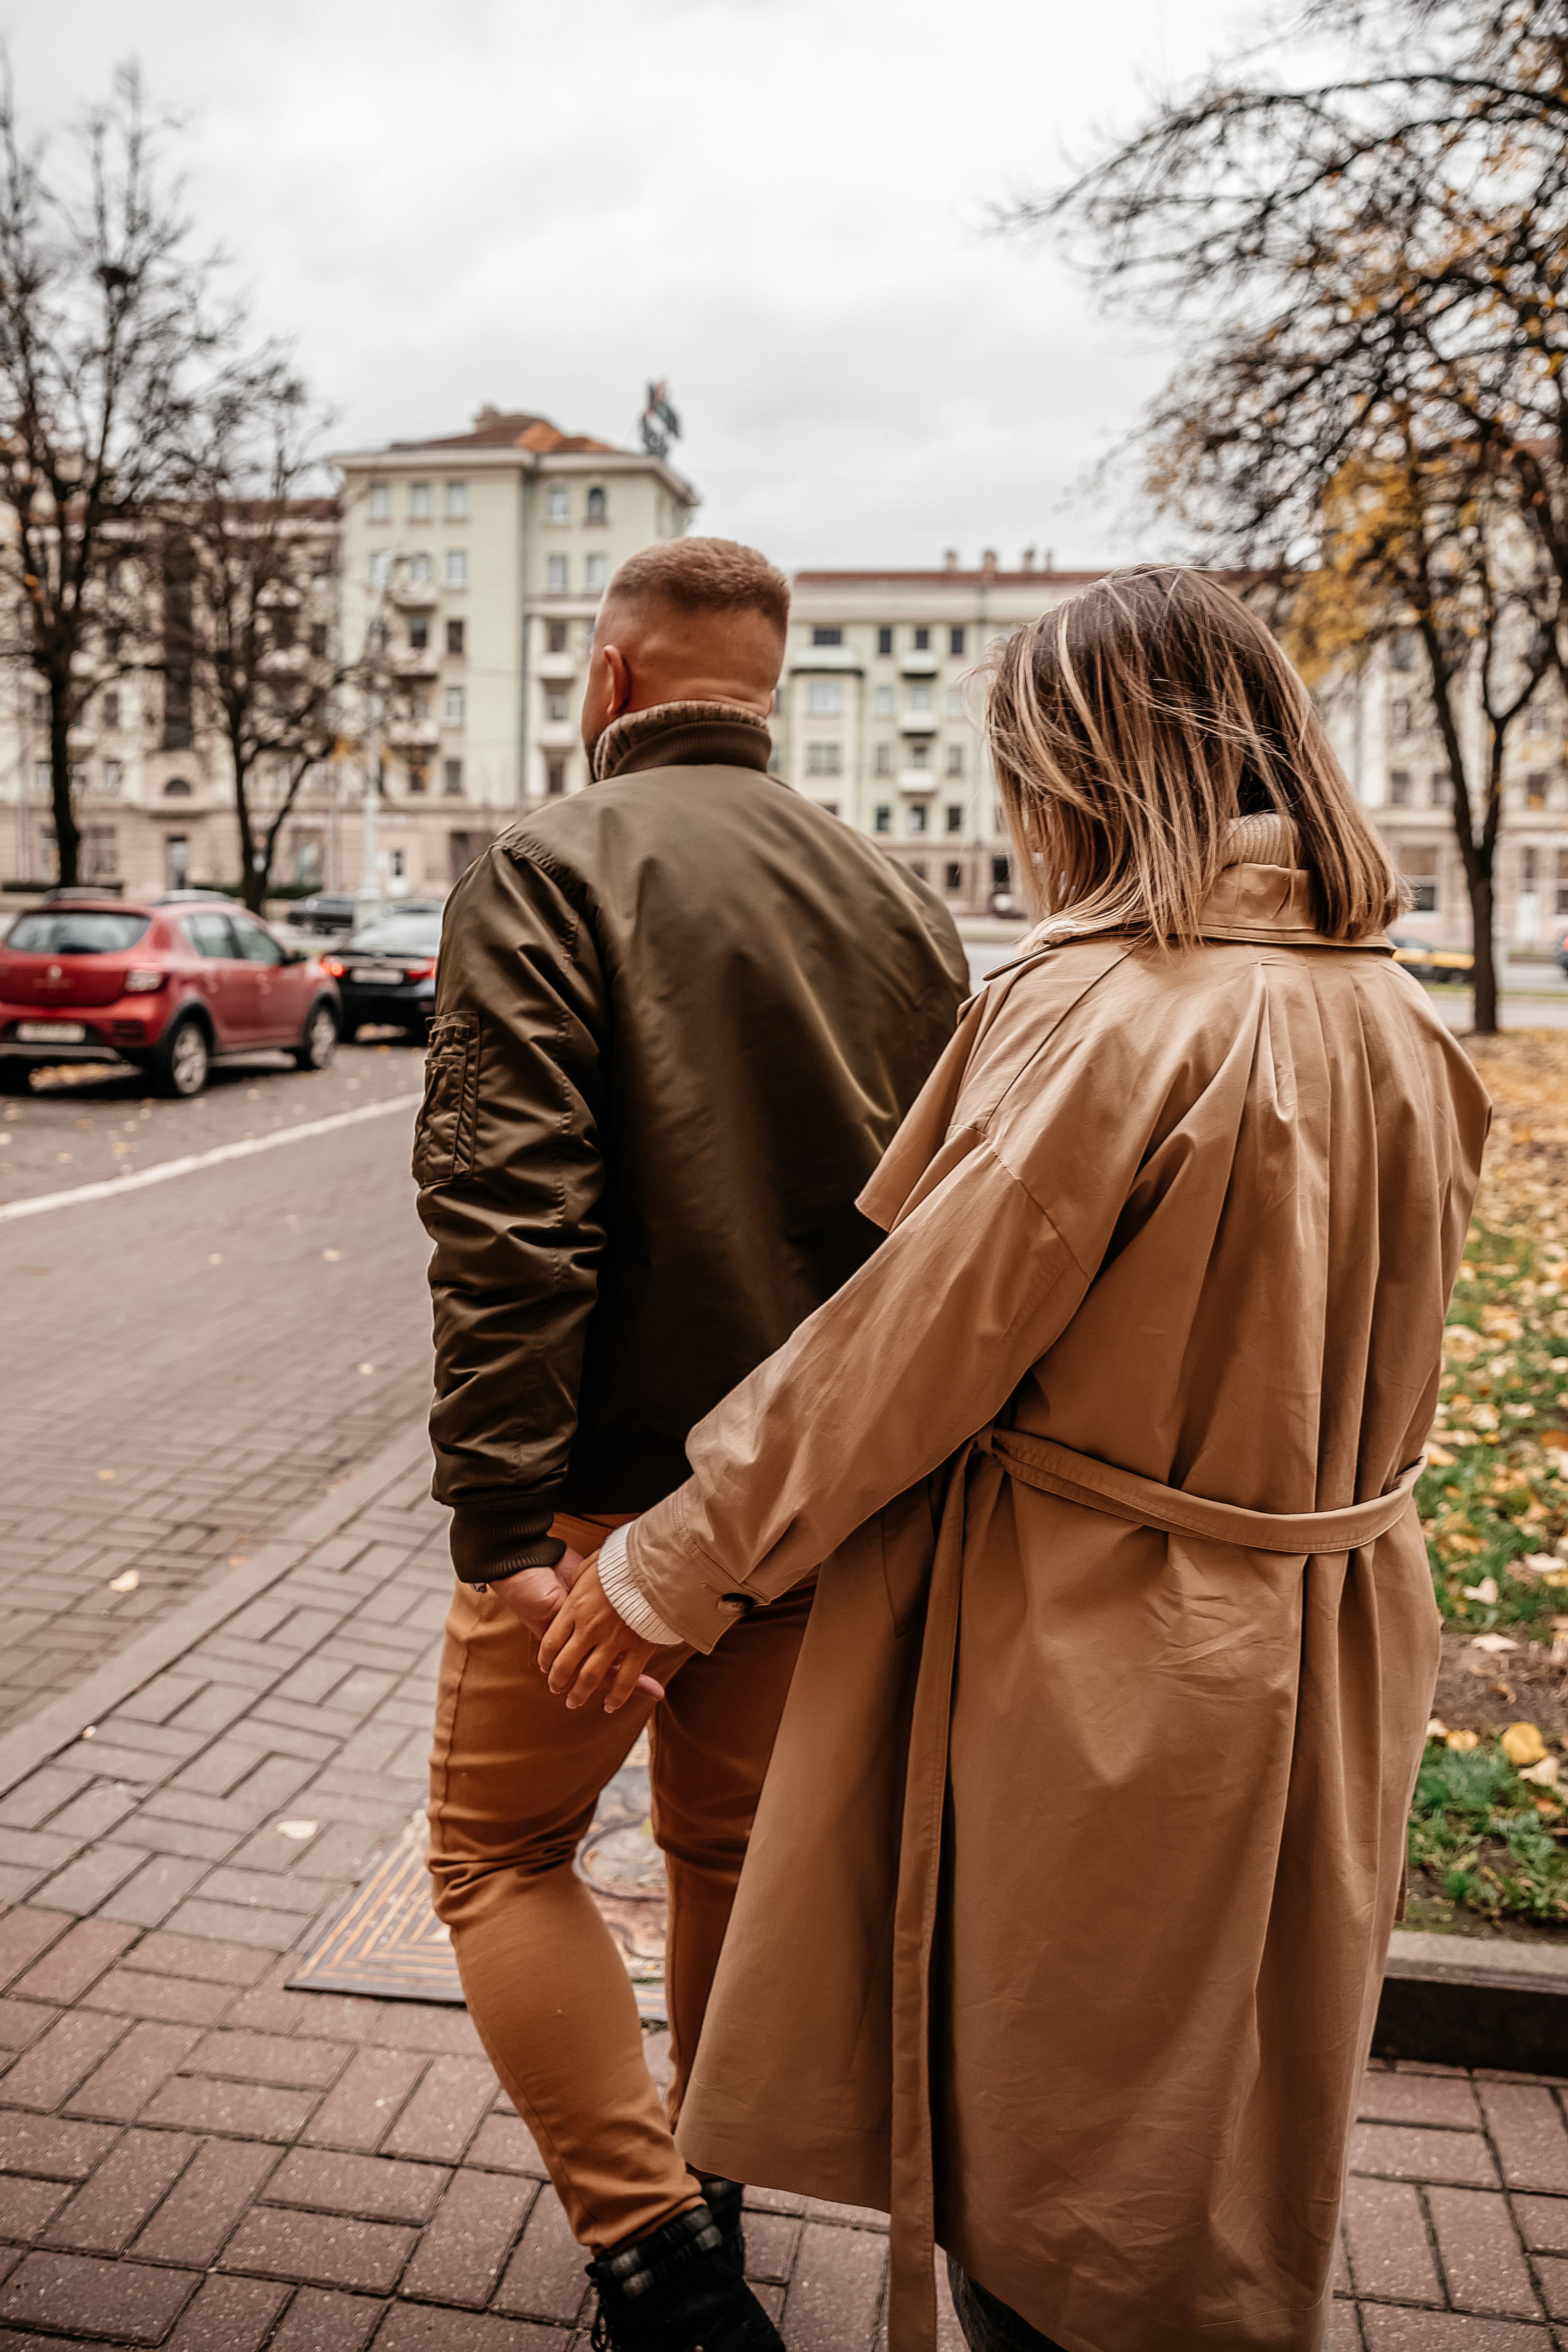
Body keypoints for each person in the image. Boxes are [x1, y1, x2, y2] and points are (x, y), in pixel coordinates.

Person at [537, 567, 1491, 2352]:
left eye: (1020, 765)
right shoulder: (1396, 1017)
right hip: (1331, 1633)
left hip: (1110, 1645)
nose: (1011, 809)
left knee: (1052, 2173)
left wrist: (672, 1565)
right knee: (1212, 2131)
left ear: (1084, 769)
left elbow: (915, 1346)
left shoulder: (1113, 1009)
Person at [414, 535, 969, 2352]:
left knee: (500, 1856)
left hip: (593, 1509)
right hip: (798, 1510)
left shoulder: (545, 869)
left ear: (616, 678)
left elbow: (511, 1218)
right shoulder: (900, 901)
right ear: (775, 686)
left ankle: (658, 2256)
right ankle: (709, 2163)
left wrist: (500, 1515)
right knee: (724, 1852)